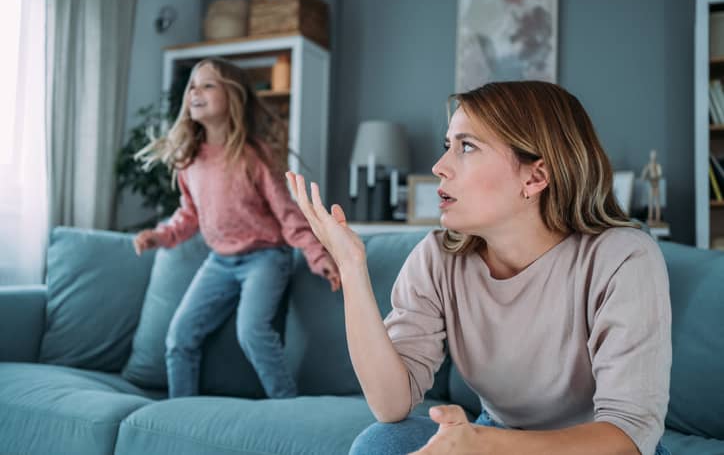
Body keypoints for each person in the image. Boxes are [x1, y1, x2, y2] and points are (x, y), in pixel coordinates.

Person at [286, 81, 671, 455]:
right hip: (495, 435)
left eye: (466, 146)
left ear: (535, 177)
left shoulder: (622, 257)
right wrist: (352, 268)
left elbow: (627, 437)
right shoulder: (438, 258)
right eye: (447, 146)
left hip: (590, 446)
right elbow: (390, 405)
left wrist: (483, 445)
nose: (439, 166)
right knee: (381, 444)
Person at [133, 57, 340, 399]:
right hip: (220, 262)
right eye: (193, 86)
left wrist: (319, 257)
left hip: (266, 258)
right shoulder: (190, 160)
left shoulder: (254, 156)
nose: (196, 91)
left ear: (233, 97)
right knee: (179, 337)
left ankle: (287, 404)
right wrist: (161, 236)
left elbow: (289, 216)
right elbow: (189, 214)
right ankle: (179, 413)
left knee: (252, 331)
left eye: (208, 84)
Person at [641, 149, 664, 225]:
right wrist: (645, 176)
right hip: (651, 186)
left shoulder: (657, 166)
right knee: (650, 202)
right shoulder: (648, 166)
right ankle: (650, 217)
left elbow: (659, 174)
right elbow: (643, 176)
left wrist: (654, 177)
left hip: (656, 186)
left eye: (654, 155)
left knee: (657, 202)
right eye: (652, 155)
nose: (653, 157)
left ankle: (658, 218)